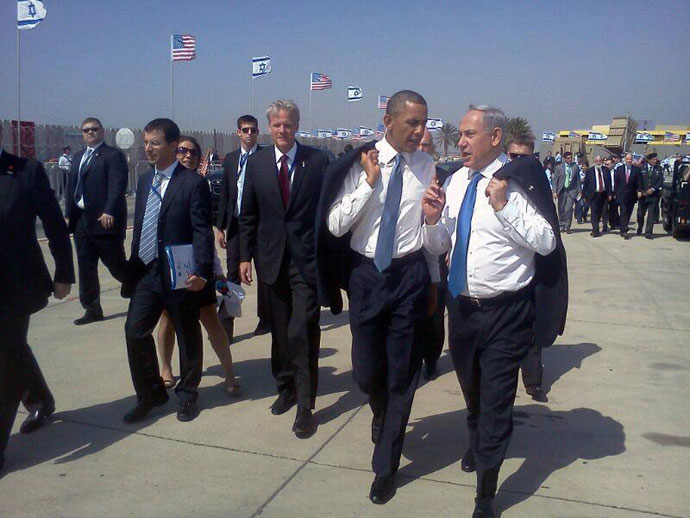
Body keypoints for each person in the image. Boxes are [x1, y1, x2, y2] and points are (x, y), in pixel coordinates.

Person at [422, 105, 561, 518]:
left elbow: (546, 241)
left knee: (497, 399)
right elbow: (439, 245)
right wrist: (431, 222)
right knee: (473, 391)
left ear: (495, 138)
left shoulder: (520, 180)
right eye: (460, 134)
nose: (460, 142)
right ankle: (476, 438)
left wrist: (504, 206)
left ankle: (486, 491)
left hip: (506, 312)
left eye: (468, 134)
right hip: (462, 309)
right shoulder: (456, 181)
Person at [325, 91, 436, 504]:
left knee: (402, 373)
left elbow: (431, 236)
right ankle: (379, 409)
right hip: (367, 276)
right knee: (367, 372)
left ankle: (386, 465)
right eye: (413, 123)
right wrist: (368, 185)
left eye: (424, 123)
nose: (421, 131)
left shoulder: (427, 167)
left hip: (409, 274)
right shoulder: (361, 164)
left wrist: (433, 224)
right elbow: (336, 225)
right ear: (388, 121)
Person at [238, 99, 329, 438]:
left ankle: (306, 405)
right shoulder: (258, 163)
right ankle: (285, 387)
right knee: (278, 330)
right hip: (271, 260)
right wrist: (244, 257)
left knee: (301, 331)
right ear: (269, 127)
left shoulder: (316, 161)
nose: (282, 130)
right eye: (276, 125)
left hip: (305, 263)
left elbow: (326, 212)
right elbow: (248, 214)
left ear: (296, 125)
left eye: (288, 124)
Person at [121, 118, 214, 423]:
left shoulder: (193, 183)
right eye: (146, 142)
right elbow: (142, 227)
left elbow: (201, 230)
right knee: (135, 331)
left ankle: (187, 395)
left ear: (173, 146)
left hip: (180, 274)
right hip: (147, 273)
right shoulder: (146, 181)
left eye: (155, 143)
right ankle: (150, 394)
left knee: (188, 335)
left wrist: (202, 270)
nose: (148, 148)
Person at [0, 139, 75, 471]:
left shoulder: (25, 171)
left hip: (16, 285)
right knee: (13, 348)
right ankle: (41, 399)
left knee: (6, 360)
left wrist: (63, 273)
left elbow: (55, 224)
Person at [156, 136, 240, 396]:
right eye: (182, 150)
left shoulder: (199, 186)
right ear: (173, 151)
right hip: (168, 266)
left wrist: (216, 271)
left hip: (198, 266)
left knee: (211, 320)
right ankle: (166, 369)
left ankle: (229, 374)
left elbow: (204, 234)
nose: (187, 155)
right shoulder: (159, 184)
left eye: (193, 152)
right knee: (167, 320)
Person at [64, 117, 129, 325]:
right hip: (82, 220)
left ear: (102, 131)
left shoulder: (112, 155)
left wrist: (109, 210)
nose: (90, 133)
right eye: (86, 130)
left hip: (104, 220)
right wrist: (68, 214)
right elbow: (70, 187)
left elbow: (117, 185)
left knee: (115, 263)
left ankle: (139, 288)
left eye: (94, 129)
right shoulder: (78, 156)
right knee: (86, 266)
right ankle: (92, 309)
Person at [215, 115, 270, 338]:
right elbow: (225, 195)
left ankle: (266, 319)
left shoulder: (265, 158)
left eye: (253, 130)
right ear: (238, 132)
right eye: (245, 130)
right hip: (236, 225)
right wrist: (219, 227)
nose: (249, 134)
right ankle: (226, 324)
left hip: (260, 226)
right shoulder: (230, 159)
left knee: (265, 274)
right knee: (231, 275)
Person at [507, 136, 548, 401]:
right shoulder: (500, 182)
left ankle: (533, 381)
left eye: (525, 158)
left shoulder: (538, 183)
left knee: (531, 330)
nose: (518, 163)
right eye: (514, 157)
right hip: (507, 275)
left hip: (534, 270)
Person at [418, 128, 447, 381]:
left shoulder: (446, 179)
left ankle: (432, 359)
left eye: (426, 145)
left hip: (437, 259)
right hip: (409, 260)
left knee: (435, 315)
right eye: (417, 144)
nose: (421, 149)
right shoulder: (402, 177)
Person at [582, 156, 612, 237]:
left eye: (600, 161)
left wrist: (610, 194)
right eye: (597, 161)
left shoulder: (605, 170)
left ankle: (603, 226)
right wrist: (584, 195)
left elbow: (609, 183)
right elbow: (586, 184)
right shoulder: (590, 171)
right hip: (594, 195)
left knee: (603, 212)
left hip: (604, 195)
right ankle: (595, 231)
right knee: (594, 213)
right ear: (594, 161)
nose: (598, 162)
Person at [551, 151, 581, 233]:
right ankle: (562, 225)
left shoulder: (575, 167)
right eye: (568, 158)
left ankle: (568, 226)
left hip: (571, 190)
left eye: (571, 158)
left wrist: (579, 191)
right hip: (562, 190)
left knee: (569, 209)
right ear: (564, 159)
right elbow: (555, 180)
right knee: (561, 208)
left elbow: (578, 180)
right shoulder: (559, 167)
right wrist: (554, 191)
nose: (570, 159)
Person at [636, 153, 664, 239]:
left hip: (653, 195)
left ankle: (648, 232)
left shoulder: (659, 169)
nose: (655, 161)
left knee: (651, 215)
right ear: (649, 160)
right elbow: (638, 181)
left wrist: (653, 189)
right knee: (640, 214)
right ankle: (640, 227)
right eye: (653, 159)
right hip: (643, 195)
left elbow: (660, 181)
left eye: (656, 159)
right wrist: (640, 191)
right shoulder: (641, 168)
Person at [616, 153, 642, 240]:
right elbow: (616, 183)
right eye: (627, 159)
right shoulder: (619, 169)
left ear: (632, 160)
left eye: (630, 159)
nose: (629, 161)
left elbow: (639, 182)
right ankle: (624, 230)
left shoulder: (636, 170)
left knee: (628, 213)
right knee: (623, 212)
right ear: (625, 160)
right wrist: (615, 194)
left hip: (631, 195)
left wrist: (639, 191)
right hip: (621, 195)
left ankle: (624, 227)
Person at [602, 156, 620, 231]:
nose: (607, 166)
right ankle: (605, 225)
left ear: (613, 164)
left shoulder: (617, 173)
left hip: (614, 193)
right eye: (606, 164)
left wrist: (616, 193)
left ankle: (613, 224)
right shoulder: (603, 172)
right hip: (605, 193)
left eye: (608, 164)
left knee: (613, 210)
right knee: (604, 210)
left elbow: (619, 184)